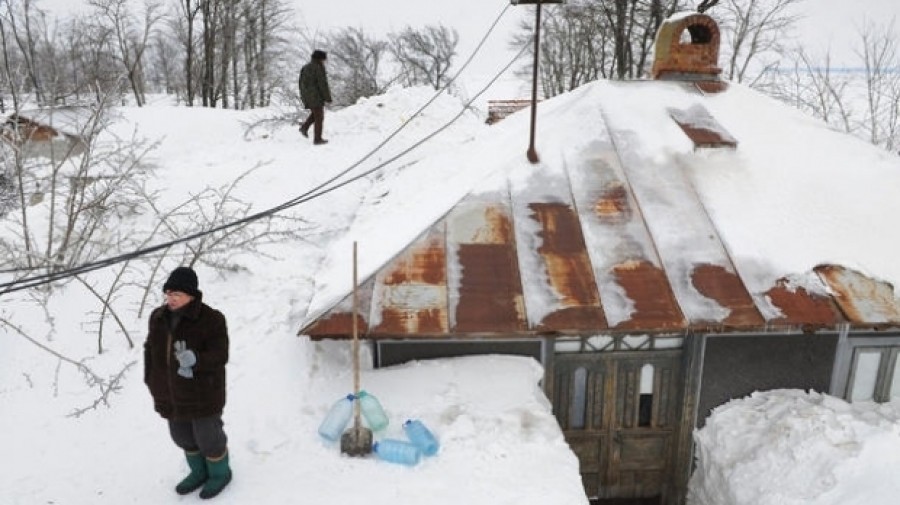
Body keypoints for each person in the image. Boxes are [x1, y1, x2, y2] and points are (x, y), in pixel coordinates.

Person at [144, 266, 232, 499]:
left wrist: (196, 360)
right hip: (169, 393)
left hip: (202, 393)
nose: (170, 299)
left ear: (191, 295)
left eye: (176, 295)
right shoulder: (158, 317)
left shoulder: (211, 319)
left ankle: (220, 474)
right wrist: (150, 378)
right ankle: (199, 472)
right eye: (168, 293)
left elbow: (220, 355)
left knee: (208, 438)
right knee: (181, 437)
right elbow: (149, 349)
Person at [298, 49, 333, 145]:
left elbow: (300, 83)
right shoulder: (318, 67)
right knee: (319, 117)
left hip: (307, 95)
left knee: (316, 114)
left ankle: (304, 128)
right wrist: (328, 97)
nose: (324, 61)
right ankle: (317, 139)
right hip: (315, 96)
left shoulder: (305, 67)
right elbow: (322, 84)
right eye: (323, 59)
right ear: (320, 59)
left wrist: (304, 96)